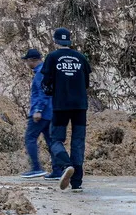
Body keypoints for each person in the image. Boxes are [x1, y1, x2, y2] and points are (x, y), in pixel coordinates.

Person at [39, 27, 91, 192]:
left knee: (56, 140)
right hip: (80, 107)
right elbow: (87, 83)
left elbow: (46, 81)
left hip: (61, 106)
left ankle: (66, 164)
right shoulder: (81, 58)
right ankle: (77, 182)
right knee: (78, 141)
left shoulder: (52, 57)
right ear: (70, 41)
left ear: (55, 41)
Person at [20, 48, 53, 179]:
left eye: (27, 61)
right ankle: (59, 169)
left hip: (41, 113)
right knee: (50, 141)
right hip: (49, 112)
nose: (27, 64)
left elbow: (43, 93)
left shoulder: (40, 73)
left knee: (30, 138)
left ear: (32, 60)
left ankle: (36, 168)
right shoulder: (46, 70)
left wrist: (38, 110)